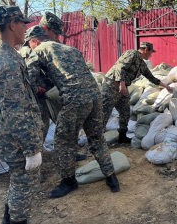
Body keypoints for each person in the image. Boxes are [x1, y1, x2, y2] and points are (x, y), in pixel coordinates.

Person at [26, 33, 120, 199]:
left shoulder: (39, 49)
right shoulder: (70, 49)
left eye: (29, 44)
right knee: (97, 139)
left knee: (63, 141)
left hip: (75, 98)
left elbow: (31, 77)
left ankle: (68, 182)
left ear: (34, 41)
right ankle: (112, 179)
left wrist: (36, 93)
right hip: (95, 95)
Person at [0, 6, 43, 224]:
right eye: (23, 24)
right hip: (15, 140)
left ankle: (7, 219)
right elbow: (15, 111)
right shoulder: (7, 62)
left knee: (17, 181)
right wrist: (31, 149)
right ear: (12, 25)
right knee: (24, 184)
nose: (25, 29)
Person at [38, 12, 88, 162]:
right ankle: (37, 165)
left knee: (67, 125)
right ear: (45, 28)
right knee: (41, 130)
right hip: (40, 97)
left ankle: (70, 153)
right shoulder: (33, 42)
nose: (57, 37)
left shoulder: (55, 46)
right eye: (55, 33)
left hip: (56, 93)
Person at [102, 42, 172, 143]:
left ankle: (122, 136)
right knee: (105, 111)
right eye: (151, 52)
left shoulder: (142, 64)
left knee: (125, 111)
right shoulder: (132, 54)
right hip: (112, 84)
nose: (151, 55)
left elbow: (151, 78)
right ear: (146, 50)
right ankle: (97, 139)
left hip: (123, 87)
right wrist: (121, 83)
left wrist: (166, 86)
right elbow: (120, 67)